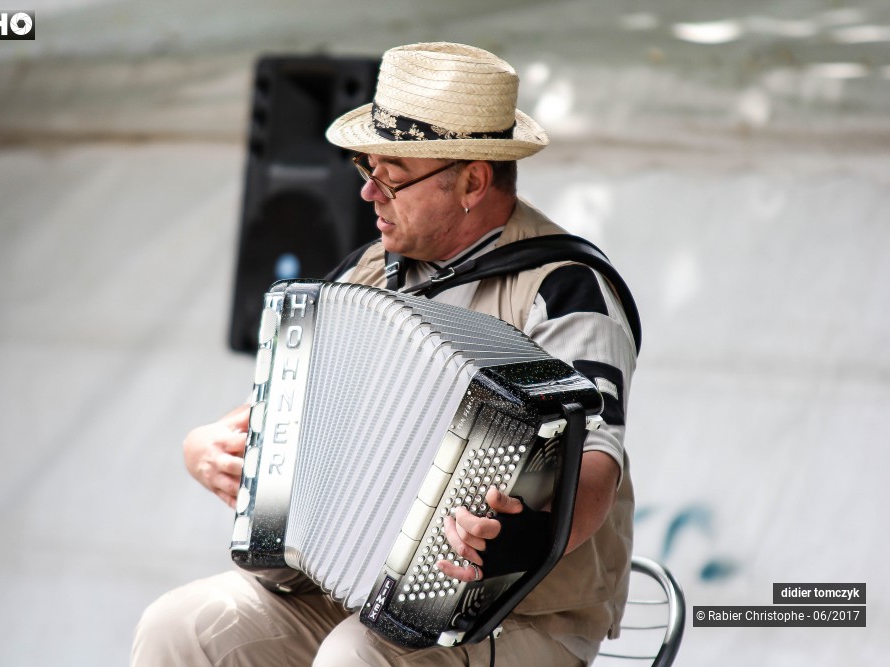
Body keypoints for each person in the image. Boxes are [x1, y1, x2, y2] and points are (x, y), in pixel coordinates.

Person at [132, 42, 636, 667]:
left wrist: (525, 538)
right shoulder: (369, 272)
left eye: (392, 175)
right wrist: (205, 445)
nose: (369, 193)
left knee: (354, 658)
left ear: (472, 181)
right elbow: (292, 409)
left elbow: (596, 461)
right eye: (364, 168)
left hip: (516, 613)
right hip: (352, 592)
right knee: (179, 627)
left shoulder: (566, 288)